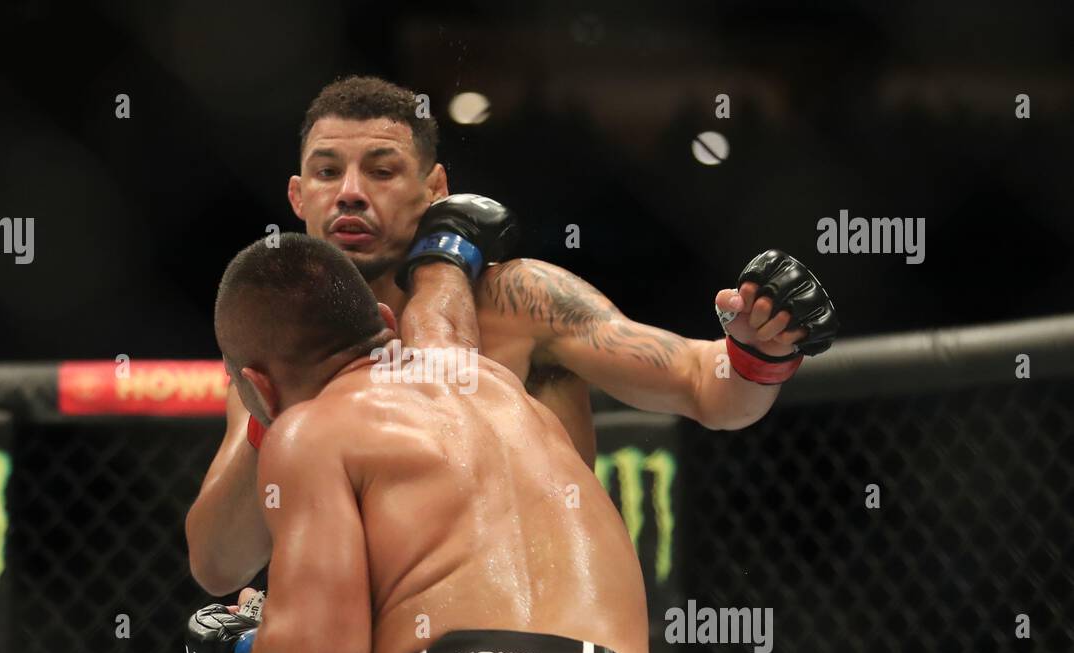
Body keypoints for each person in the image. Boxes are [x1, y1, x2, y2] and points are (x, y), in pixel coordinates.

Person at [185, 75, 838, 598]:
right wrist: (273, 420)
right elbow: (218, 564)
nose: (351, 193)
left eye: (382, 170)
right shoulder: (282, 345)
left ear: (435, 189)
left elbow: (707, 388)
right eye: (328, 173)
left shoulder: (519, 299)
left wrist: (760, 349)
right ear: (298, 197)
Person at [188, 212, 678, 653]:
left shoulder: (308, 430)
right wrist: (448, 252)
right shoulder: (493, 383)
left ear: (261, 390)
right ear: (388, 324)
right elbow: (441, 322)